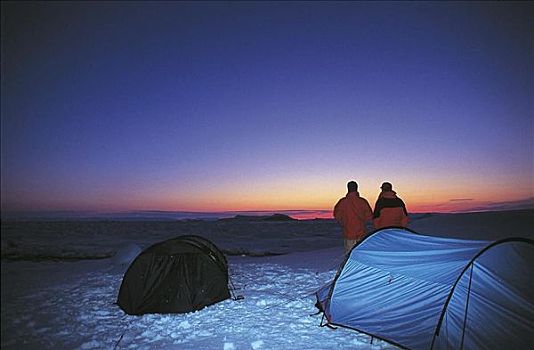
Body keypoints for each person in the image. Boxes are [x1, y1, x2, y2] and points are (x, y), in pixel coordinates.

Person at [333, 181, 373, 254]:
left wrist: (344, 223)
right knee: (360, 254)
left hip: (348, 233)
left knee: (349, 254)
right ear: (357, 188)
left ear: (348, 188)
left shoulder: (342, 202)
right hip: (361, 233)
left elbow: (337, 216)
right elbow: (369, 217)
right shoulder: (363, 201)